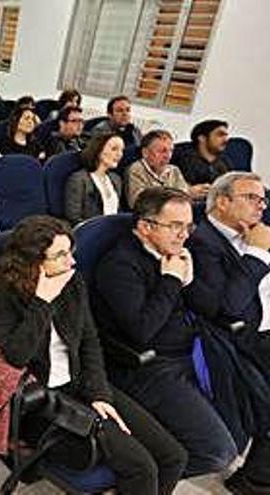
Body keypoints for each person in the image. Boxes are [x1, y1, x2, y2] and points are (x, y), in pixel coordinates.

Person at [0, 215, 186, 495]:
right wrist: (41, 302)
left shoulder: (72, 281)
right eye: (60, 255)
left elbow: (89, 342)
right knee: (142, 469)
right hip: (43, 400)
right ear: (34, 262)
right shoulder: (3, 291)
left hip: (80, 383)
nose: (71, 262)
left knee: (173, 457)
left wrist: (99, 395)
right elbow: (17, 355)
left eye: (70, 252)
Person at [93, 187, 270, 493]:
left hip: (193, 352)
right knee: (218, 452)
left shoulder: (175, 253)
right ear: (146, 227)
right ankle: (140, 476)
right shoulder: (119, 265)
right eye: (175, 226)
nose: (184, 234)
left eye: (189, 226)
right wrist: (171, 280)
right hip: (149, 365)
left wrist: (186, 280)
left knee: (242, 431)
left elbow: (208, 307)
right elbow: (141, 331)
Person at [189, 172, 270, 366]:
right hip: (251, 340)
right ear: (223, 202)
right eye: (252, 198)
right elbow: (228, 307)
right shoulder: (201, 244)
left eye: (263, 199)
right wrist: (256, 253)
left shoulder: (257, 233)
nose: (262, 206)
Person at [64, 133, 124, 225]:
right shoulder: (78, 180)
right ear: (98, 150)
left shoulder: (116, 179)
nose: (119, 154)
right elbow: (73, 218)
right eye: (114, 149)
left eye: (122, 150)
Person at [126, 130, 194, 207]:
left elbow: (185, 199)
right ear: (145, 153)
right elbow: (136, 202)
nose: (168, 156)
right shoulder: (136, 169)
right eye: (162, 151)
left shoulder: (174, 170)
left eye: (170, 151)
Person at [180, 119, 232, 189]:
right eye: (220, 135)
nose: (226, 140)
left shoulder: (225, 161)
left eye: (226, 135)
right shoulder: (184, 158)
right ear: (202, 138)